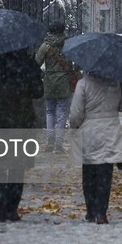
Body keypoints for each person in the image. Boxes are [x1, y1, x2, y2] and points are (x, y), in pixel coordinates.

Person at [0, 48, 43, 222]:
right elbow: (38, 91)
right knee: (17, 166)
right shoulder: (28, 63)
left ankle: (0, 202)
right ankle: (12, 208)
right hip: (22, 120)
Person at [69, 73, 122, 225]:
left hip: (90, 133)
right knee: (105, 175)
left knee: (89, 175)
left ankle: (91, 211)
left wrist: (75, 125)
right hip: (110, 132)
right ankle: (101, 213)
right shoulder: (116, 82)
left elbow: (76, 114)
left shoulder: (83, 84)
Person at [35, 21, 80, 153]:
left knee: (49, 111)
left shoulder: (45, 46)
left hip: (49, 82)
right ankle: (59, 144)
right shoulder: (68, 45)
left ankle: (50, 141)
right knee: (62, 113)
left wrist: (45, 73)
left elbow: (37, 63)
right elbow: (76, 64)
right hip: (64, 82)